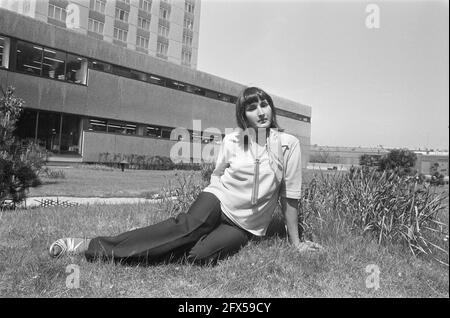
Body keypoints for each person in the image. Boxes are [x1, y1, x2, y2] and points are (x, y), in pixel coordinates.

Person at [49, 87, 323, 265]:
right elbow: (218, 176)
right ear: (244, 115)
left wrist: (295, 243)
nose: (261, 112)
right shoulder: (233, 140)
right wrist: (210, 208)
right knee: (184, 228)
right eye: (252, 108)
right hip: (218, 200)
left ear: (272, 108)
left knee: (197, 257)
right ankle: (90, 246)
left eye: (265, 105)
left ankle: (156, 247)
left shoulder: (288, 144)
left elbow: (291, 196)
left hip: (245, 226)